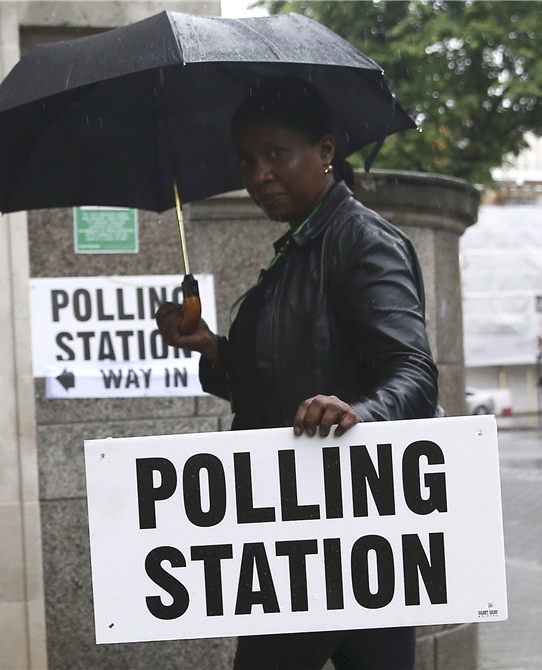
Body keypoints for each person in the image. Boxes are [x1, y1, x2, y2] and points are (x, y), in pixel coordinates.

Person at [155, 78, 438, 670]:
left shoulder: (361, 241)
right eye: (246, 160)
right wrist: (211, 348)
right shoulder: (297, 249)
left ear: (326, 150)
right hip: (297, 523)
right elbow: (276, 383)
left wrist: (357, 414)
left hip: (348, 522)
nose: (259, 175)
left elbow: (413, 371)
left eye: (276, 153)